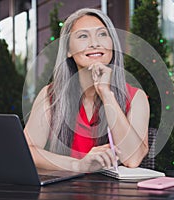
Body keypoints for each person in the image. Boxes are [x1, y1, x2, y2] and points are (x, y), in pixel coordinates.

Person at [24, 8, 150, 173]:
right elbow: (27, 150)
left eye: (102, 34)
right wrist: (78, 165)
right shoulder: (50, 96)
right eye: (83, 36)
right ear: (68, 50)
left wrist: (106, 94)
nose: (95, 43)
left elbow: (133, 159)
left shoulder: (135, 97)